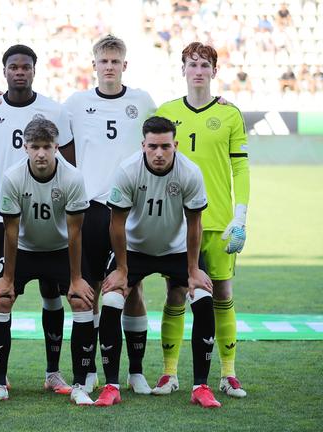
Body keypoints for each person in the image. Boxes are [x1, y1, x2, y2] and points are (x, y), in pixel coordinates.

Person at [0, 44, 73, 395]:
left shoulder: (53, 110)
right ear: (4, 71)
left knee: (53, 294)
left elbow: (70, 161)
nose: (20, 71)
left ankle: (53, 373)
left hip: (50, 220)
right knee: (2, 293)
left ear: (35, 71)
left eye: (26, 66)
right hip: (5, 218)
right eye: (14, 66)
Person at [62, 35, 157, 396]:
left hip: (130, 209)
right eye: (104, 61)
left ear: (124, 65)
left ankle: (135, 372)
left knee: (131, 288)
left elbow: (166, 129)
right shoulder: (76, 103)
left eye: (115, 61)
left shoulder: (142, 101)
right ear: (94, 65)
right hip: (89, 209)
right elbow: (53, 134)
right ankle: (87, 371)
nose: (109, 67)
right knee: (88, 289)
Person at [103, 115, 220, 408]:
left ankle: (201, 387)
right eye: (152, 146)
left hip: (177, 250)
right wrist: (121, 269)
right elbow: (116, 223)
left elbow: (195, 223)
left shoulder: (189, 172)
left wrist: (193, 269)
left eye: (165, 146)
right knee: (112, 299)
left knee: (204, 298)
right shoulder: (128, 170)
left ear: (175, 145)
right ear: (143, 145)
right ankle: (112, 385)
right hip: (134, 250)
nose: (159, 153)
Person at [155, 42, 250, 399]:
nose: (198, 70)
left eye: (204, 64)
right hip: (176, 222)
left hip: (218, 221)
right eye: (192, 64)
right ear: (182, 69)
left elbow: (240, 168)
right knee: (176, 292)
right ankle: (169, 373)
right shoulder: (166, 112)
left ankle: (229, 373)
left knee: (222, 292)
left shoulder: (230, 114)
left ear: (214, 71)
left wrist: (240, 216)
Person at [0, 118, 92, 405]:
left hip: (60, 249)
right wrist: (7, 279)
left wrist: (77, 279)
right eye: (35, 147)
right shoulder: (13, 177)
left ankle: (78, 385)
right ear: (25, 147)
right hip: (24, 249)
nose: (41, 153)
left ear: (56, 147)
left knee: (81, 301)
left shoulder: (72, 178)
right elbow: (11, 230)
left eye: (46, 147)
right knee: (1, 300)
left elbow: (75, 232)